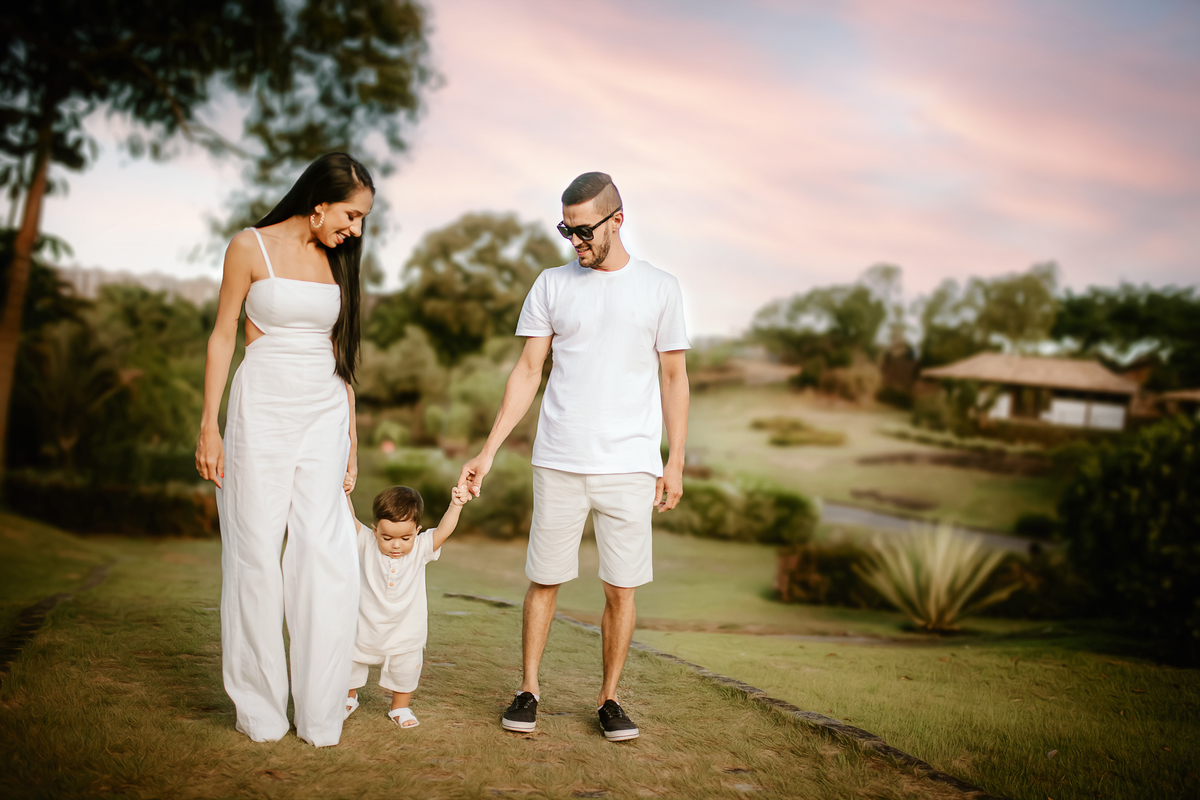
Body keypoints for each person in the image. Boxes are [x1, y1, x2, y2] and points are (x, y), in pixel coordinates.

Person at [457, 172, 690, 742]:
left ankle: (610, 699)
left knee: (621, 589)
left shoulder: (661, 288)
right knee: (544, 579)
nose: (574, 240)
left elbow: (674, 376)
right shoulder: (551, 284)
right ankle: (528, 690)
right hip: (558, 459)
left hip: (630, 465)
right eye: (566, 229)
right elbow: (527, 371)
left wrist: (675, 461)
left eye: (583, 229)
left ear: (617, 220)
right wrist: (488, 451)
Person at [195, 153, 373, 747]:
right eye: (351, 215)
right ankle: (261, 711)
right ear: (319, 202)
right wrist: (209, 425)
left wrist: (352, 438)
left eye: (362, 219)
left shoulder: (339, 261)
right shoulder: (249, 246)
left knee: (326, 554)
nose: (355, 229)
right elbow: (224, 334)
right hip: (262, 409)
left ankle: (320, 712)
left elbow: (341, 357)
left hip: (324, 411)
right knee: (255, 550)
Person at [343, 484, 470, 728]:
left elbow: (443, 531)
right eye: (387, 538)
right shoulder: (365, 542)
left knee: (405, 669)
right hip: (365, 625)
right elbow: (348, 519)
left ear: (417, 531)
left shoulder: (421, 548)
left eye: (405, 538)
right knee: (351, 661)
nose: (396, 545)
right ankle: (348, 698)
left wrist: (456, 505)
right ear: (375, 531)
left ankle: (399, 708)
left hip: (405, 628)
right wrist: (345, 494)